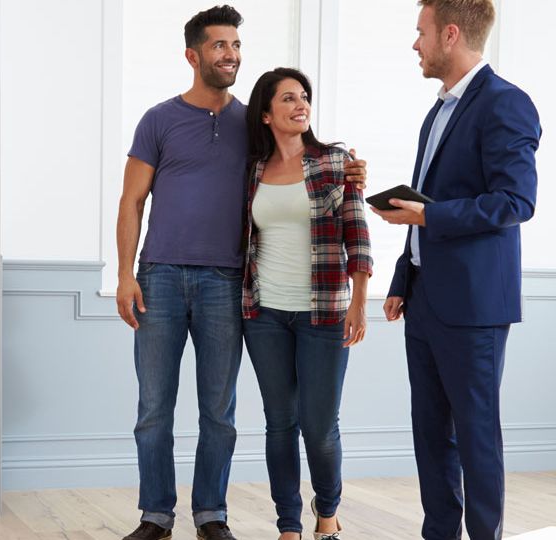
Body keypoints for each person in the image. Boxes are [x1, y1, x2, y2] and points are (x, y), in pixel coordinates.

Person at [115, 6, 369, 540]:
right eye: (219, 46)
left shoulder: (252, 125)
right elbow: (131, 201)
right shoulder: (157, 120)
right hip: (159, 276)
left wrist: (349, 169)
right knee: (153, 410)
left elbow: (299, 159)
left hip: (227, 283)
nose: (231, 54)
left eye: (236, 44)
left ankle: (211, 513)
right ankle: (156, 515)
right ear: (193, 55)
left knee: (220, 412)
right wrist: (124, 272)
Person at [371, 1, 540, 539]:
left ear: (449, 34)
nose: (414, 44)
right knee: (430, 435)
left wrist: (429, 214)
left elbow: (515, 201)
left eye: (420, 33)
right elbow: (429, 202)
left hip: (473, 306)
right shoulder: (438, 110)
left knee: (476, 435)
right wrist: (403, 277)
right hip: (424, 300)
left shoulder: (506, 104)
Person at [242, 67, 372, 540]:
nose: (301, 105)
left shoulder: (335, 163)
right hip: (264, 314)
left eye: (305, 98)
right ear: (265, 114)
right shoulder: (252, 170)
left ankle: (329, 512)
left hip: (324, 313)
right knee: (279, 424)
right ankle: (288, 526)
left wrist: (359, 303)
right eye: (288, 99)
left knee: (319, 428)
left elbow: (357, 236)